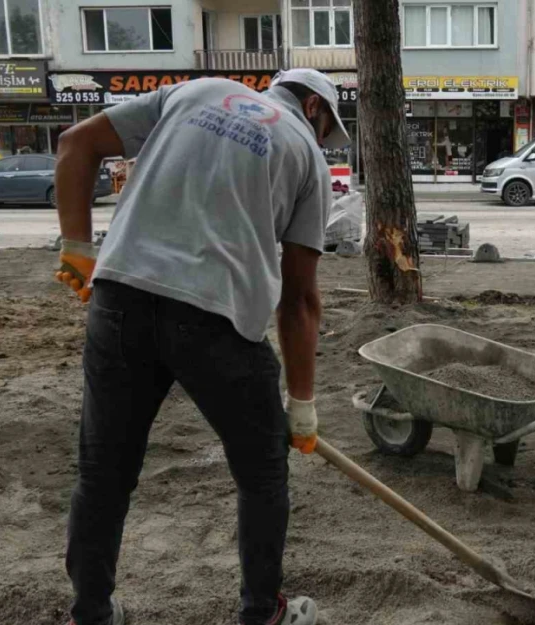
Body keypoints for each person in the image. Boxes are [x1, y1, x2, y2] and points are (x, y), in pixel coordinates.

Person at [53, 68, 348, 625]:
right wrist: (302, 403)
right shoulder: (306, 155)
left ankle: (90, 614)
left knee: (103, 474)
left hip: (121, 300)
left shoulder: (195, 91)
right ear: (313, 107)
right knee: (262, 474)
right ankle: (264, 612)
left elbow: (76, 143)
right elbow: (300, 298)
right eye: (327, 127)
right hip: (218, 321)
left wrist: (75, 245)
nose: (322, 140)